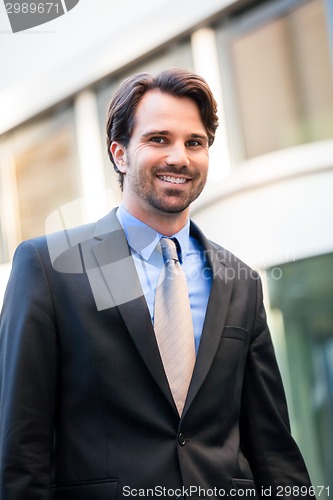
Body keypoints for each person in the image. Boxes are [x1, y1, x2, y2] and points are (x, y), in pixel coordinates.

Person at [0, 68, 314, 500]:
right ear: (120, 154)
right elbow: (21, 449)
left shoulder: (241, 283)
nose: (179, 158)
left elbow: (273, 448)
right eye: (158, 139)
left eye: (195, 142)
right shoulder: (49, 267)